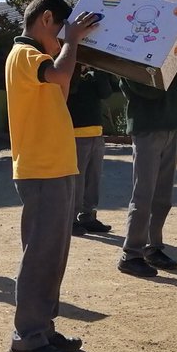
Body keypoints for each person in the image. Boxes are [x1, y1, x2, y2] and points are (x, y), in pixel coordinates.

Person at [5, 0, 101, 352]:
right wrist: (73, 41)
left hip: (56, 166)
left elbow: (60, 88)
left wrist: (71, 45)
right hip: (41, 168)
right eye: (61, 29)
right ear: (47, 19)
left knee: (54, 254)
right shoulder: (25, 54)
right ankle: (27, 339)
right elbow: (61, 76)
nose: (64, 39)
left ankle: (42, 329)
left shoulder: (40, 57)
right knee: (40, 256)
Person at [116, 77, 177, 278]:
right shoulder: (130, 61)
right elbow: (151, 91)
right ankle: (131, 254)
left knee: (163, 197)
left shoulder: (167, 58)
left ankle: (152, 247)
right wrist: (170, 68)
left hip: (171, 125)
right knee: (143, 195)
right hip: (146, 129)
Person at [67, 64, 116, 236]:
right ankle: (70, 219)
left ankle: (87, 216)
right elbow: (70, 90)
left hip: (97, 133)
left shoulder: (94, 74)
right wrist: (77, 67)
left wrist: (100, 69)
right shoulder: (67, 69)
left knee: (93, 179)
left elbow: (106, 93)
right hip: (75, 133)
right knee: (77, 181)